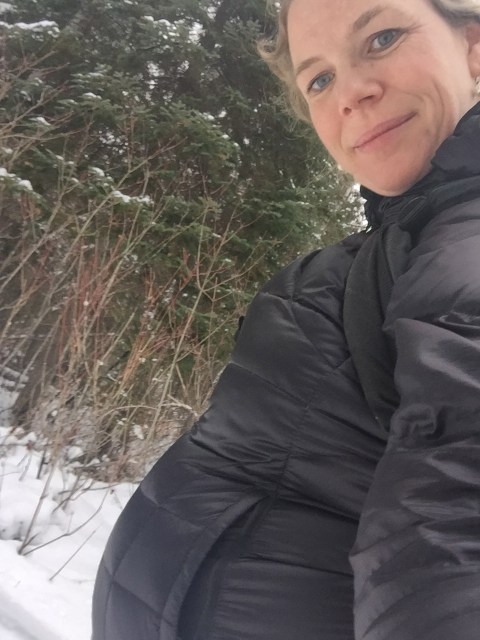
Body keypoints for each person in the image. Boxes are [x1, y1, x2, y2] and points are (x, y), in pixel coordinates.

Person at [91, 1, 480, 638]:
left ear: (473, 46)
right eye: (319, 79)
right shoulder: (405, 237)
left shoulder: (466, 242)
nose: (351, 93)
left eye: (382, 37)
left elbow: (453, 528)